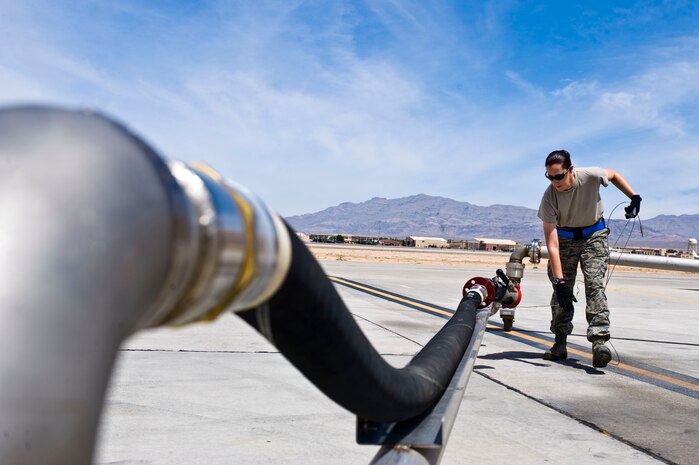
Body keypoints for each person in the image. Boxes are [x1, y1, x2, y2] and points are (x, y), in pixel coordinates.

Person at [537, 150, 641, 368]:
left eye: (558, 176)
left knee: (594, 286)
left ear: (570, 170)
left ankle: (599, 342)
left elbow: (612, 175)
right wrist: (559, 281)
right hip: (564, 240)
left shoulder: (590, 175)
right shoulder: (549, 197)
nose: (554, 181)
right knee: (562, 293)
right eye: (549, 176)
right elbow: (552, 244)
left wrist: (633, 196)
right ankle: (560, 342)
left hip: (594, 236)